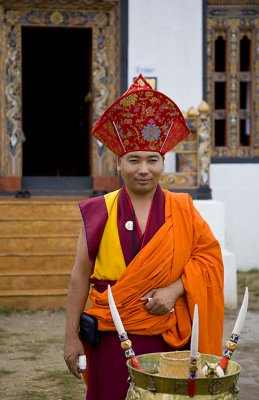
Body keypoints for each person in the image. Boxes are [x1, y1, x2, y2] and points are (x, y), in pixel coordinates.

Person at [64, 75, 224, 399]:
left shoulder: (182, 207)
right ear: (118, 162)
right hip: (111, 336)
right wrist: (70, 337)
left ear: (164, 162)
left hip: (168, 335)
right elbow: (80, 275)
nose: (144, 169)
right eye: (134, 159)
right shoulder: (99, 210)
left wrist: (175, 289)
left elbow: (209, 259)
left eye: (152, 160)